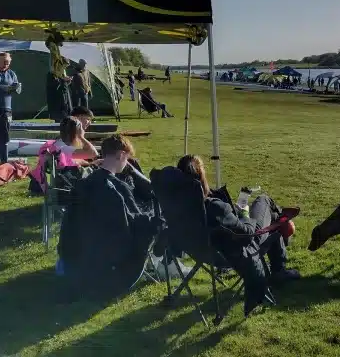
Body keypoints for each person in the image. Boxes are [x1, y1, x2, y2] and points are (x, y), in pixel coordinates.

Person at [177, 155, 299, 315]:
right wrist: (244, 214)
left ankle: (279, 252)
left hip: (205, 252)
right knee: (264, 201)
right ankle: (279, 267)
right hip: (242, 248)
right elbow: (247, 232)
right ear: (201, 177)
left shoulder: (178, 207)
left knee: (272, 219)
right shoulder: (214, 207)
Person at [57, 135, 161, 298]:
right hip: (108, 274)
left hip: (75, 262)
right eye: (127, 158)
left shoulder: (84, 184)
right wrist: (155, 220)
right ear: (121, 155)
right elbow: (131, 230)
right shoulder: (115, 189)